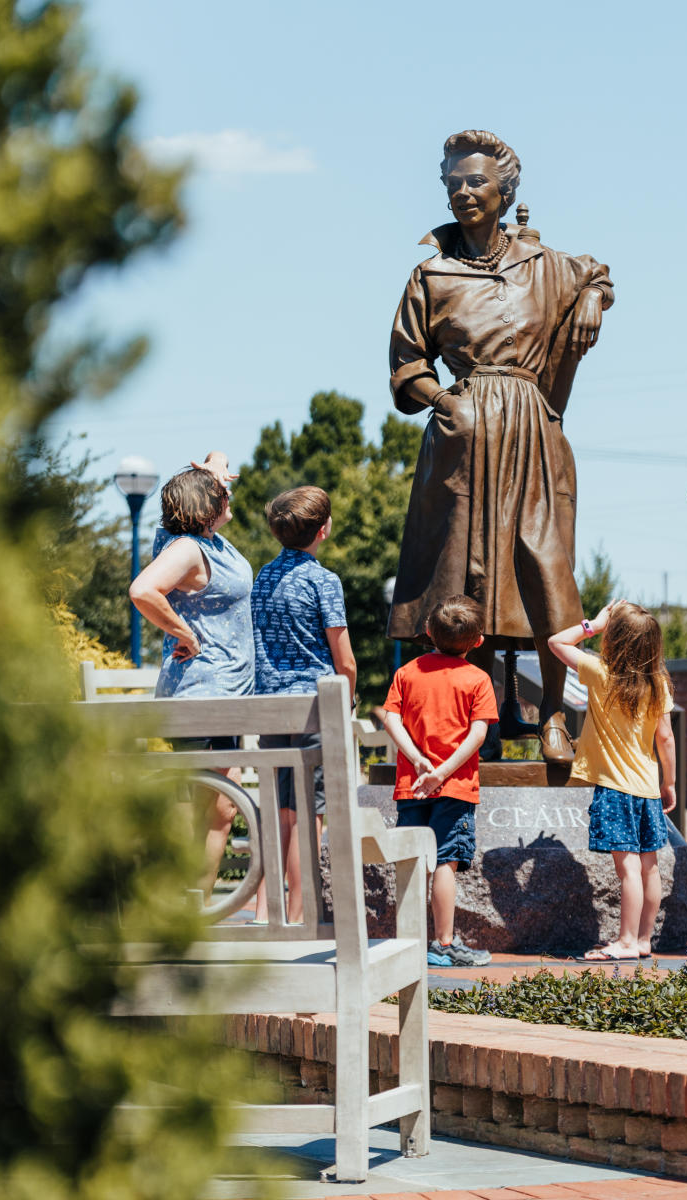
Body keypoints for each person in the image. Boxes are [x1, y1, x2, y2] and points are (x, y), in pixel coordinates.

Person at [387, 129, 614, 764]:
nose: (463, 193)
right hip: (463, 440)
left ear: (505, 189)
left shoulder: (546, 265)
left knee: (548, 573)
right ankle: (471, 722)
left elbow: (598, 273)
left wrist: (593, 298)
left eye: (476, 182)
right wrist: (443, 402)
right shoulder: (431, 273)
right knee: (465, 580)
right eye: (453, 184)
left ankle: (554, 719)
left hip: (534, 436)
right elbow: (406, 367)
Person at [129, 454, 254, 898]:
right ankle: (182, 904)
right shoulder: (186, 548)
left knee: (218, 808)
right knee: (206, 805)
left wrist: (214, 470)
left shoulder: (204, 540)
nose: (229, 495)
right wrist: (185, 633)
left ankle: (193, 907)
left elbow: (218, 456)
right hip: (203, 692)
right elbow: (142, 591)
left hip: (224, 696)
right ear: (206, 507)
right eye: (223, 494)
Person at [548, 601, 677, 962]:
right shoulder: (658, 684)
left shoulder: (601, 672)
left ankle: (624, 941)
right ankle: (643, 940)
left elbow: (557, 643)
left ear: (613, 639)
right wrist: (670, 783)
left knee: (628, 869)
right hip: (647, 789)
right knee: (649, 866)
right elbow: (665, 738)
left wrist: (594, 624)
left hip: (616, 788)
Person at [251, 485, 356, 924]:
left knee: (279, 814)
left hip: (270, 707)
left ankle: (263, 914)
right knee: (309, 816)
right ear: (323, 530)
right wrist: (347, 701)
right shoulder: (322, 581)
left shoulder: (263, 577)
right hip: (313, 707)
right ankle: (297, 917)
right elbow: (344, 659)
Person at [382, 595, 499, 967]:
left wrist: (418, 762)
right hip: (455, 787)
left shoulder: (408, 673)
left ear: (428, 632)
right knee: (446, 862)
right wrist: (443, 772)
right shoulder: (478, 679)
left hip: (412, 785)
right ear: (478, 641)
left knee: (412, 862)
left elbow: (391, 720)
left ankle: (408, 941)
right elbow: (478, 735)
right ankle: (444, 945)